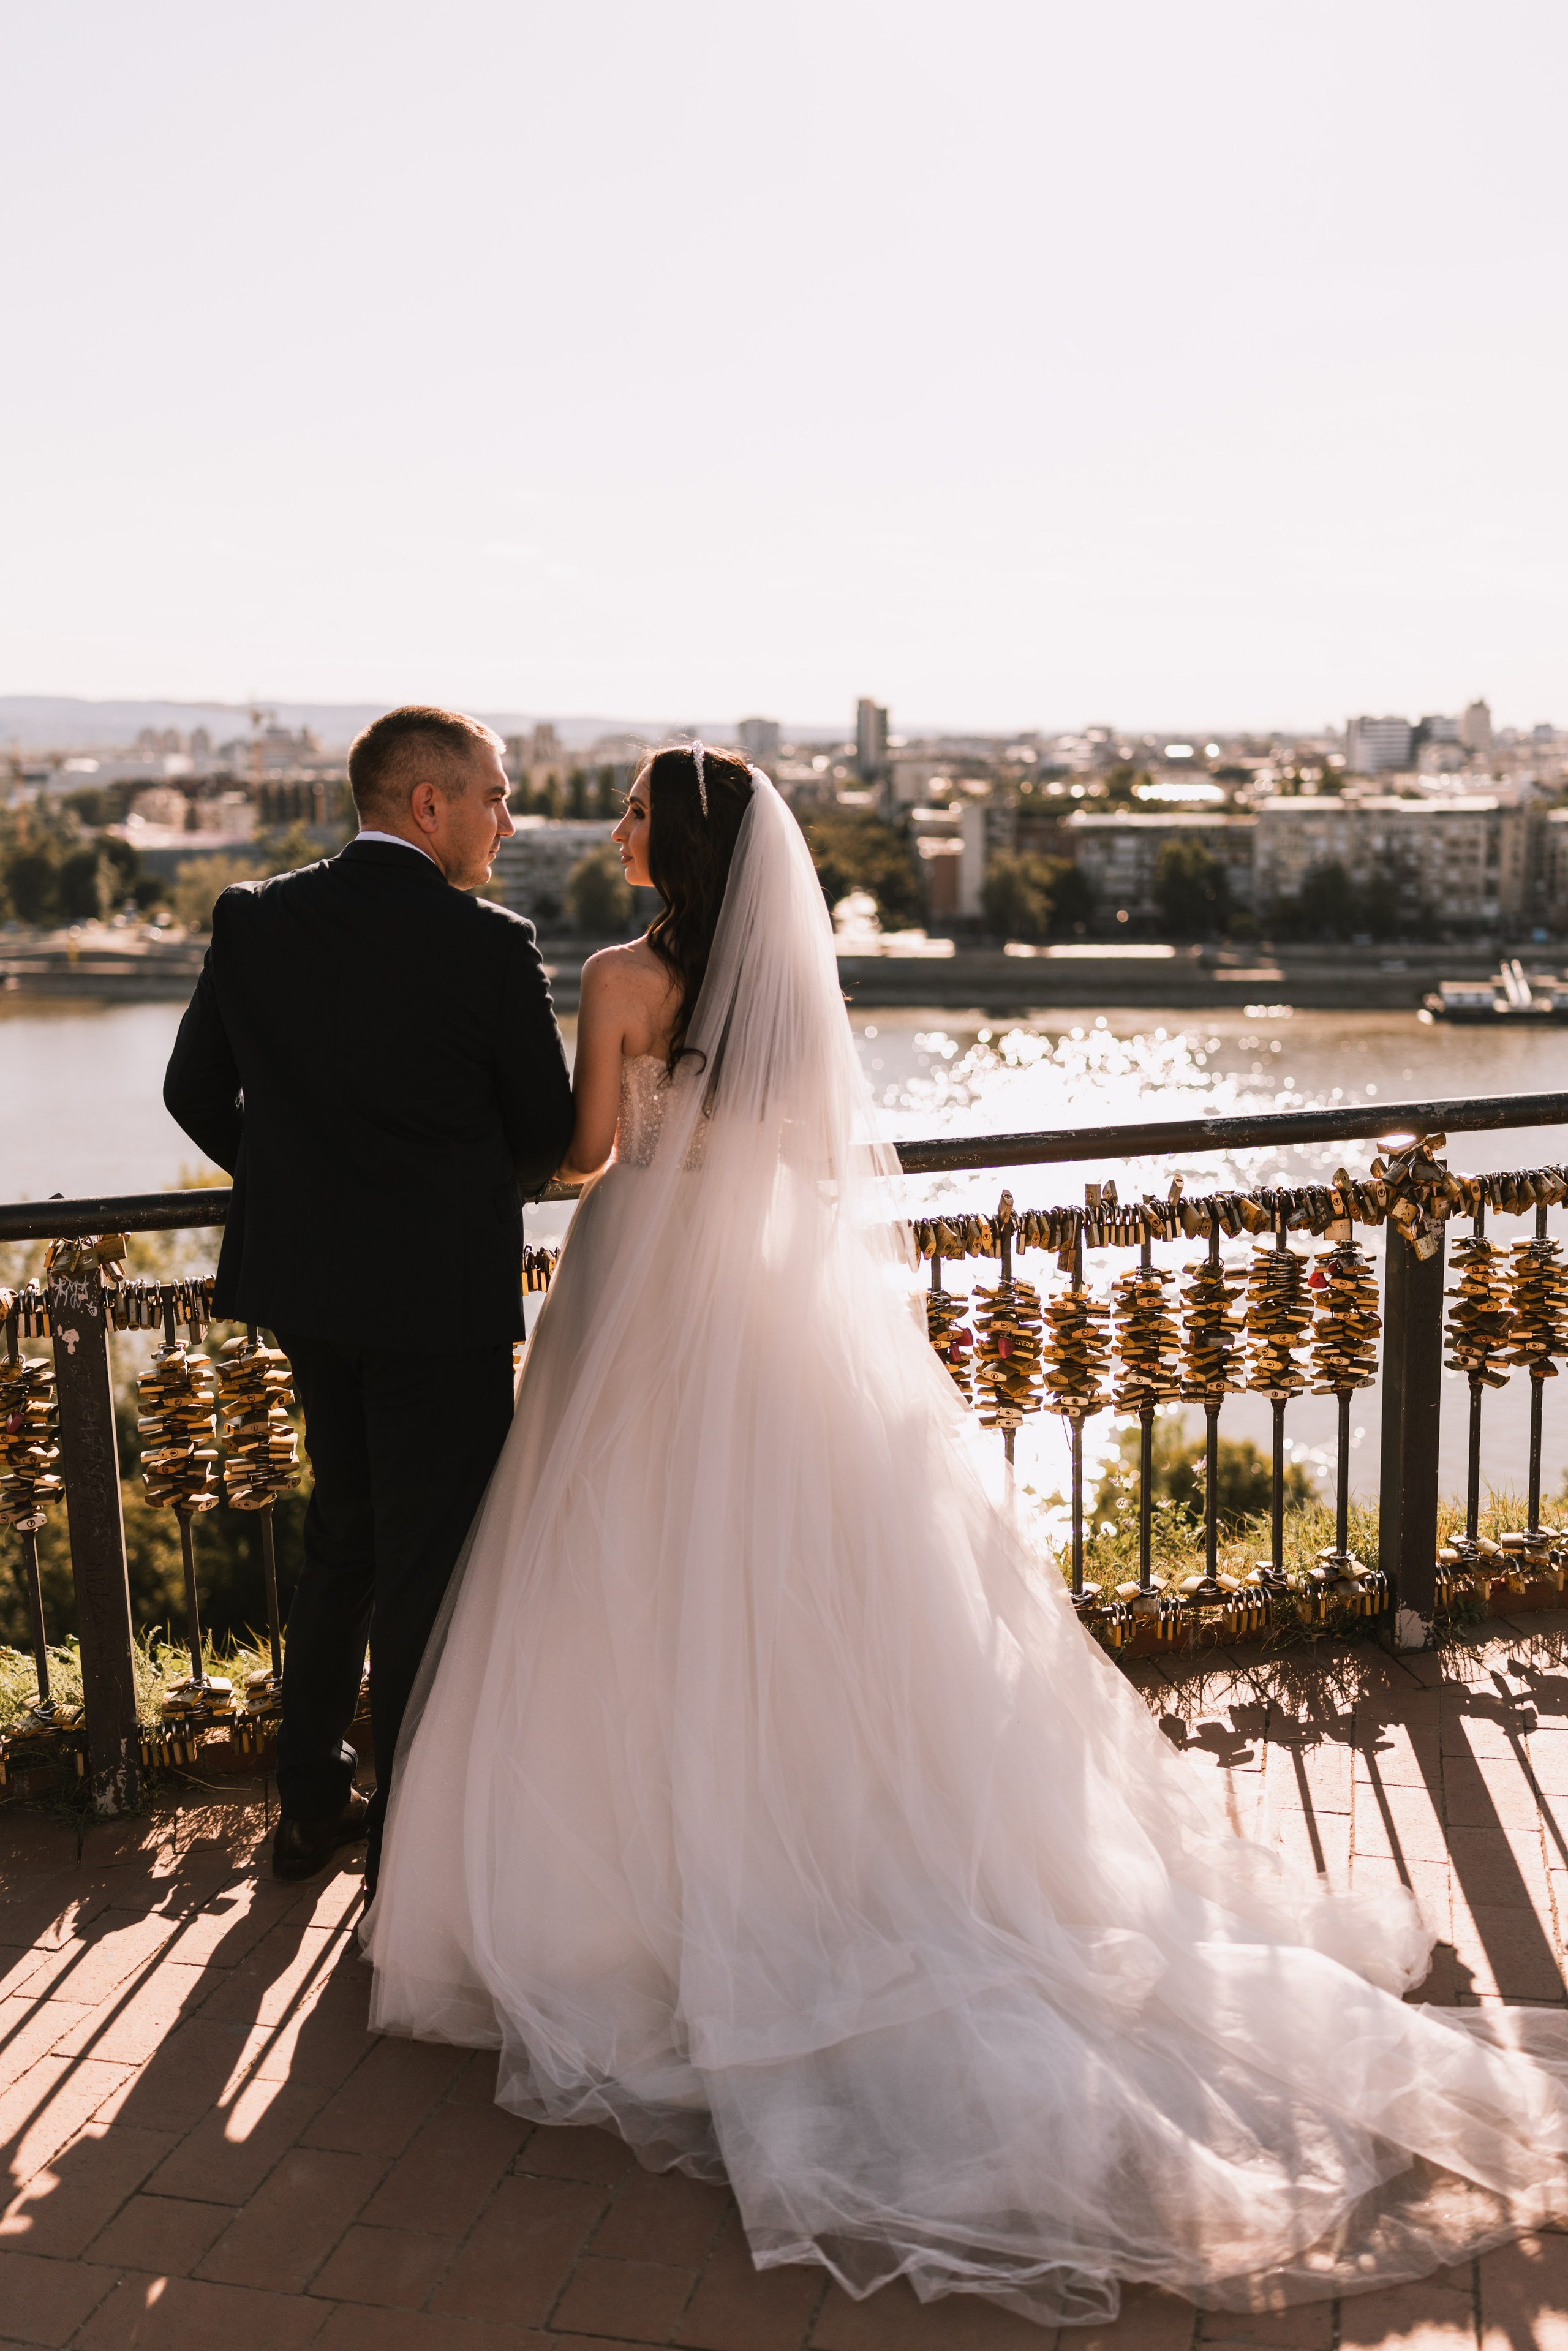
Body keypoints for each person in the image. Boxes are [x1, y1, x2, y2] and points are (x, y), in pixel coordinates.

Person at [364, 744, 1568, 2328]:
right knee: (791, 1581)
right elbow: (796, 1148)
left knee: (617, 1574)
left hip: (641, 1279)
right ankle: (797, 1853)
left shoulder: (611, 976)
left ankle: (636, 1893)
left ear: (681, 843)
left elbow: (588, 1154)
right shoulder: (778, 988)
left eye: (642, 809)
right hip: (765, 1298)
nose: (621, 825)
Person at [164, 705, 573, 1892]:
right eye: (495, 795)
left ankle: (305, 1807)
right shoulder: (491, 946)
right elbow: (545, 1140)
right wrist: (436, 1201)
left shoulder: (255, 918)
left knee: (341, 1534)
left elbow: (194, 1090)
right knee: (428, 1563)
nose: (509, 817)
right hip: (437, 1300)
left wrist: (305, 1188)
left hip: (309, 1287)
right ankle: (410, 1828)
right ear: (427, 804)